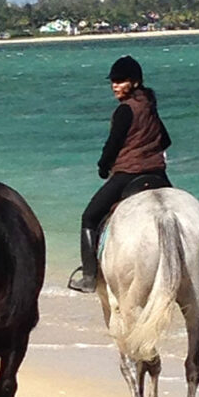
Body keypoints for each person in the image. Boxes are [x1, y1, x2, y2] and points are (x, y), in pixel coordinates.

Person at [68, 55, 172, 293]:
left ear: (134, 82)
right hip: (158, 174)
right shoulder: (149, 106)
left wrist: (103, 166)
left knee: (90, 217)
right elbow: (166, 139)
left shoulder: (125, 110)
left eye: (120, 80)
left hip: (128, 173)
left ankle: (89, 277)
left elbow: (113, 145)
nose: (114, 85)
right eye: (113, 81)